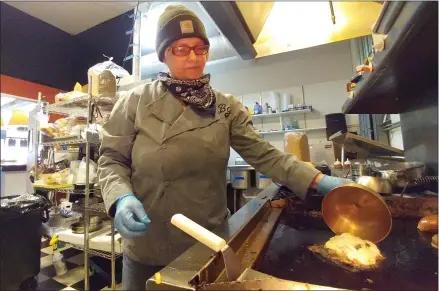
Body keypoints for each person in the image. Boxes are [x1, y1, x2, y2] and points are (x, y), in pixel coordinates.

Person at [98, 5, 351, 290]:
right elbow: (111, 159)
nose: (193, 57)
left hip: (206, 243)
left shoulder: (225, 107)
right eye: (181, 49)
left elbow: (264, 155)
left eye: (200, 48)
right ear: (164, 54)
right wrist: (121, 198)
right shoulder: (135, 102)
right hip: (148, 245)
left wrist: (318, 179)